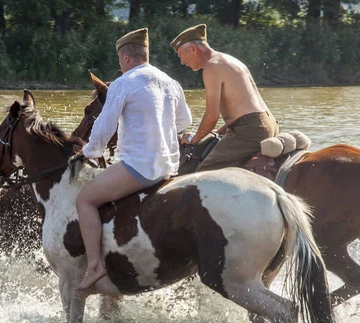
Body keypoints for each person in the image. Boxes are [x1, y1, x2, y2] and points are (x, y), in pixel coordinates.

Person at [76, 28, 192, 291]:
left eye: (120, 60)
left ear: (125, 58)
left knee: (85, 199)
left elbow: (104, 126)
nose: (120, 64)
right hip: (169, 167)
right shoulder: (170, 81)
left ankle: (94, 265)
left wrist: (90, 152)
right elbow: (185, 121)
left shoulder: (124, 83)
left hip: (139, 168)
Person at [171, 24, 279, 171]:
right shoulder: (229, 60)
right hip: (267, 123)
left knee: (202, 174)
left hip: (251, 129)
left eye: (181, 55)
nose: (182, 62)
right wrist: (217, 132)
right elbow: (242, 112)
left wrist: (193, 140)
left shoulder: (211, 67)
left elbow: (211, 117)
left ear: (193, 49)